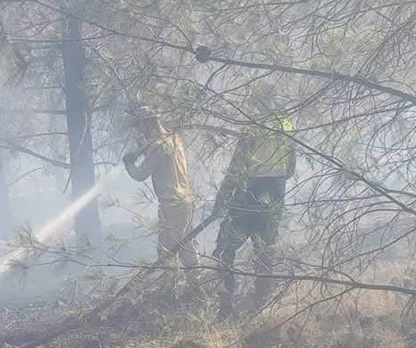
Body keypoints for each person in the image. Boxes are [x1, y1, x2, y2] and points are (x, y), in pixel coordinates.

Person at [211, 112, 296, 315]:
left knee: (224, 250)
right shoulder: (287, 126)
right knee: (265, 254)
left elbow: (236, 168)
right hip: (275, 194)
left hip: (248, 195)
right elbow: (290, 169)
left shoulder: (252, 125)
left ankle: (225, 308)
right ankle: (262, 307)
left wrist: (220, 200)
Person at [123, 112, 199, 293]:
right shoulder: (175, 139)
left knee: (167, 249)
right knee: (187, 245)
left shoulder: (158, 146)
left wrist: (129, 164)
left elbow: (140, 174)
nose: (140, 132)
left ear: (148, 125)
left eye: (140, 127)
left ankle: (168, 291)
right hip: (186, 200)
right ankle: (195, 286)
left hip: (171, 204)